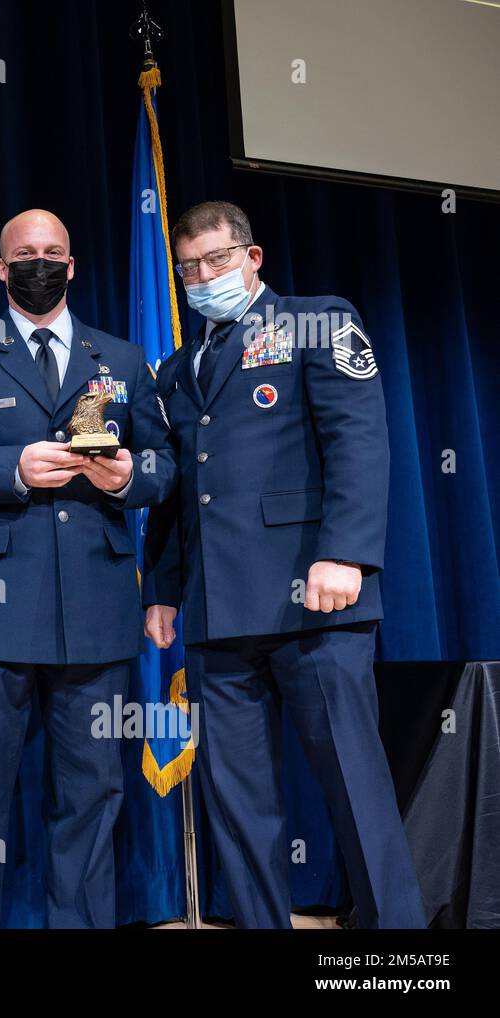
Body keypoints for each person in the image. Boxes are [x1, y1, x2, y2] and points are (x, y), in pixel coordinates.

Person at [142, 199, 425, 928]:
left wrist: (347, 553)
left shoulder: (317, 321)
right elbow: (179, 491)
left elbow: (359, 439)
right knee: (239, 808)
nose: (203, 276)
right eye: (189, 267)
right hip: (217, 611)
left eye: (217, 260)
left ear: (253, 257)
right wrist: (165, 590)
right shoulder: (175, 369)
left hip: (317, 599)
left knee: (354, 789)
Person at [0, 209, 175, 928]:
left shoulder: (120, 358)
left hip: (97, 612)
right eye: (25, 253)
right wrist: (10, 468)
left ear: (74, 265)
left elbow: (167, 467)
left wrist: (125, 480)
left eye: (54, 251)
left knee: (91, 798)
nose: (40, 262)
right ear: (2, 269)